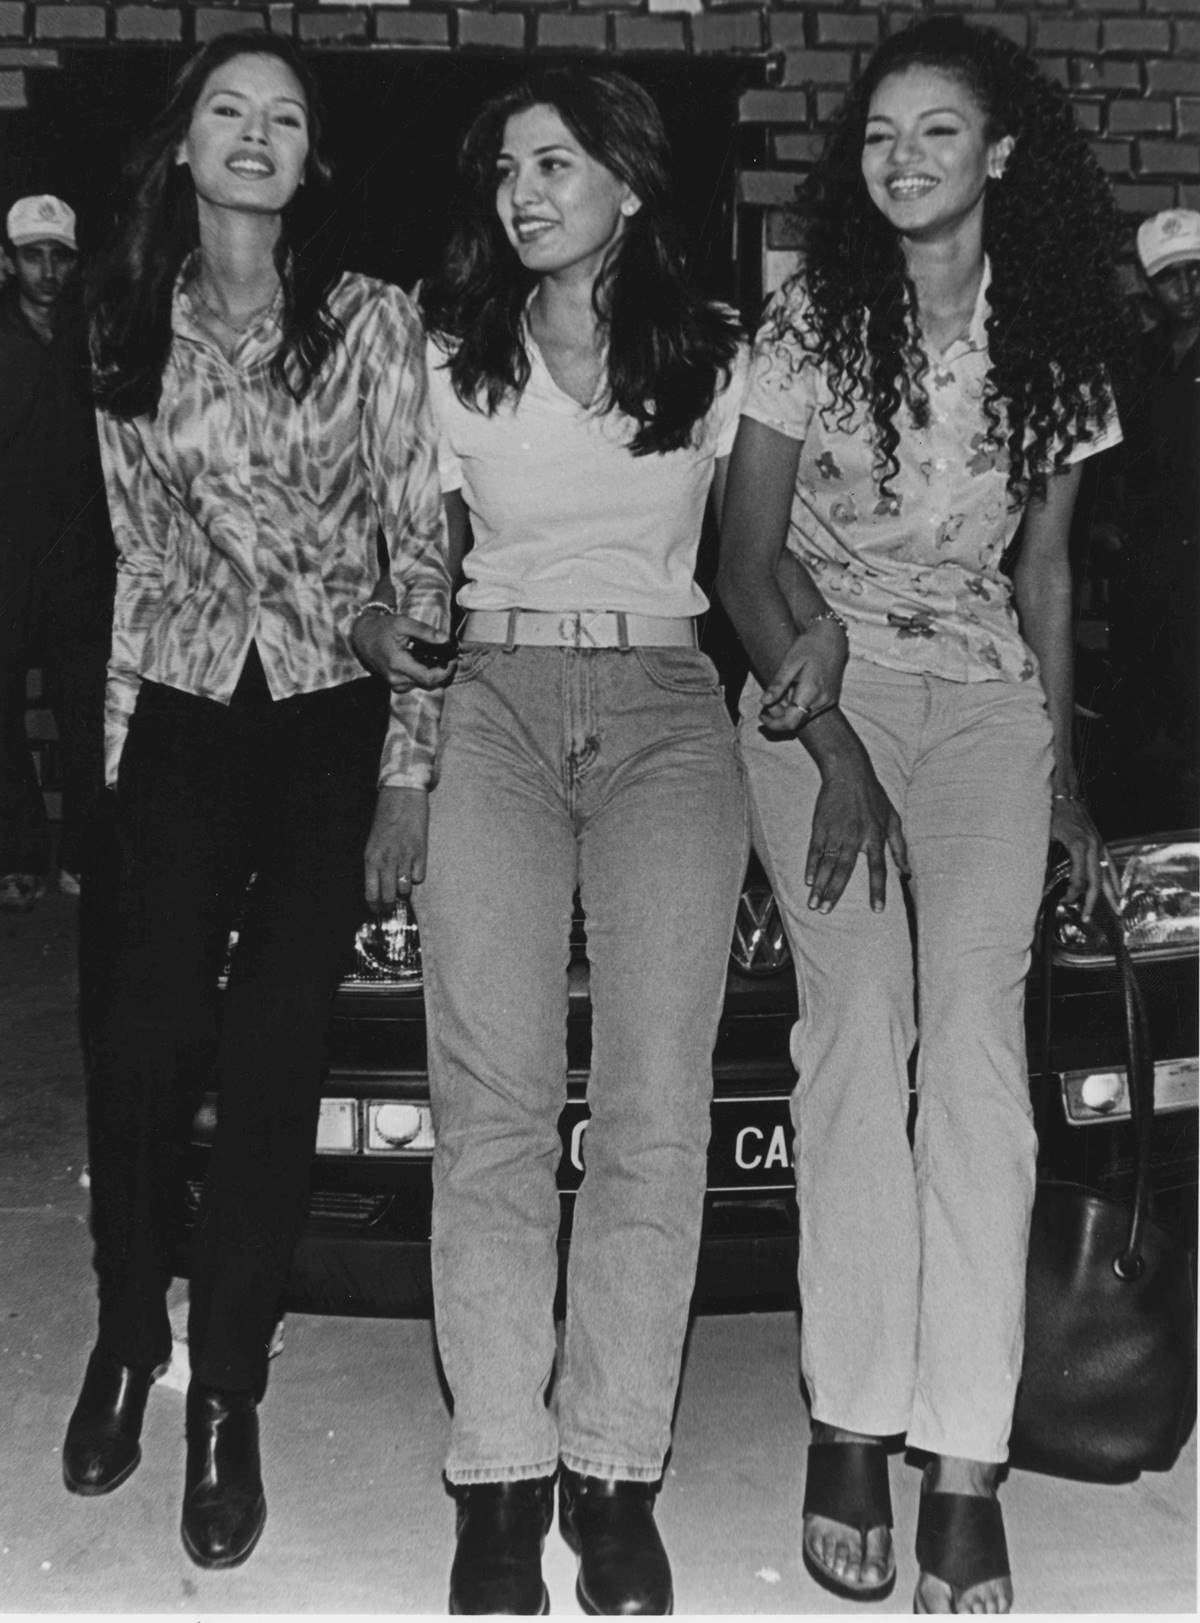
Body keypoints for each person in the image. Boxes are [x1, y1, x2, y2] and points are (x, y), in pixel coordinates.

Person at [717, 16, 1124, 1614]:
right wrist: (838, 753)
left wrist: (1069, 774)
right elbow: (744, 561)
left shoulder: (1059, 341)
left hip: (983, 707)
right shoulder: (811, 320)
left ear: (999, 155)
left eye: (936, 133)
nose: (902, 159)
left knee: (974, 1054)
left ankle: (961, 1456)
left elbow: (1045, 571)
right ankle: (849, 1418)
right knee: (858, 1024)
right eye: (880, 134)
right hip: (819, 693)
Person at [61, 31, 451, 1572]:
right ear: (184, 145)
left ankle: (227, 1391)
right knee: (142, 1030)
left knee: (281, 1035)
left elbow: (416, 548)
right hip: (179, 708)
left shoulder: (370, 323)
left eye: (284, 119)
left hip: (330, 717)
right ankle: (118, 1331)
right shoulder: (122, 327)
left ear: (309, 164)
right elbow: (141, 552)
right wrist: (114, 757)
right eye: (229, 109)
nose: (255, 134)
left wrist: (408, 761)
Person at [367, 66, 748, 1616]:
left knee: (657, 1103)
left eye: (558, 162)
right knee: (497, 1103)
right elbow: (413, 560)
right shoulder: (448, 354)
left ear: (630, 184)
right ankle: (500, 1478)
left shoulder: (720, 355)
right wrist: (396, 695)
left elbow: (765, 552)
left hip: (668, 702)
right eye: (508, 168)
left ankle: (614, 1468)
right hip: (499, 704)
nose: (525, 192)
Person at [0, 194, 114, 910]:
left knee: (86, 711)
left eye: (59, 255)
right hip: (5, 555)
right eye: (32, 254)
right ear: (7, 261)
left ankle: (82, 851)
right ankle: (17, 852)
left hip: (79, 558)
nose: (46, 269)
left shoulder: (95, 338)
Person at [1105, 208, 1199, 804]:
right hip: (1150, 574)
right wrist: (1106, 531)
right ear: (1146, 282)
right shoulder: (1136, 361)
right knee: (1150, 726)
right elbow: (1109, 463)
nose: (1186, 290)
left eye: (1197, 272)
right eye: (1170, 277)